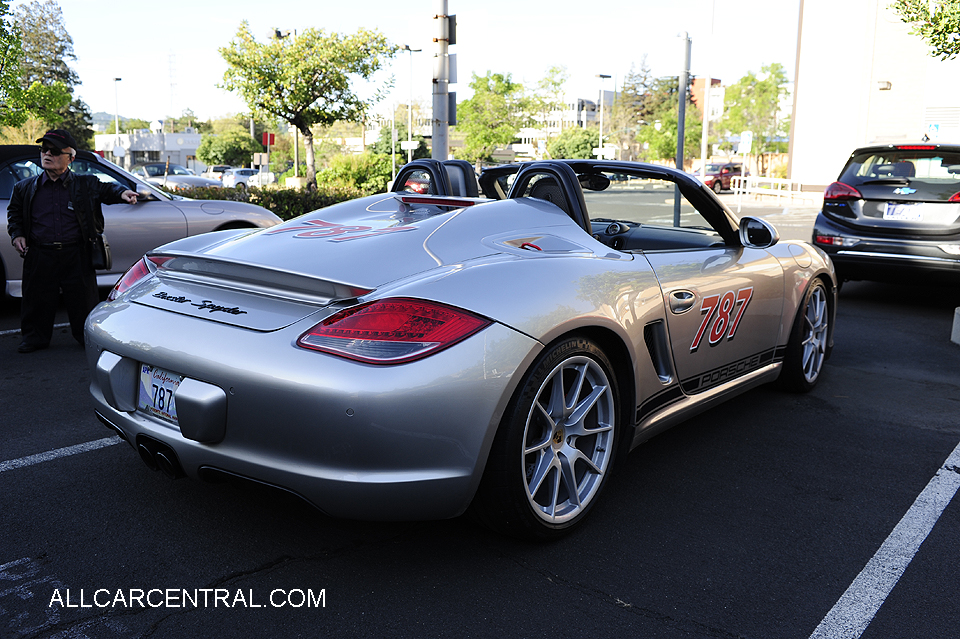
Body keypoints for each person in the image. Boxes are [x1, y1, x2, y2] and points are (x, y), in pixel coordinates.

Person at [6, 129, 138, 353]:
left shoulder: (86, 184)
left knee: (82, 301)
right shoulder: (24, 187)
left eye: (55, 151)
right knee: (36, 299)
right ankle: (34, 338)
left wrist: (123, 193)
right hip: (39, 253)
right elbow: (14, 214)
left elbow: (108, 189)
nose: (47, 154)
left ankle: (85, 336)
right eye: (44, 150)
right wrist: (17, 234)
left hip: (76, 252)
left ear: (71, 157)